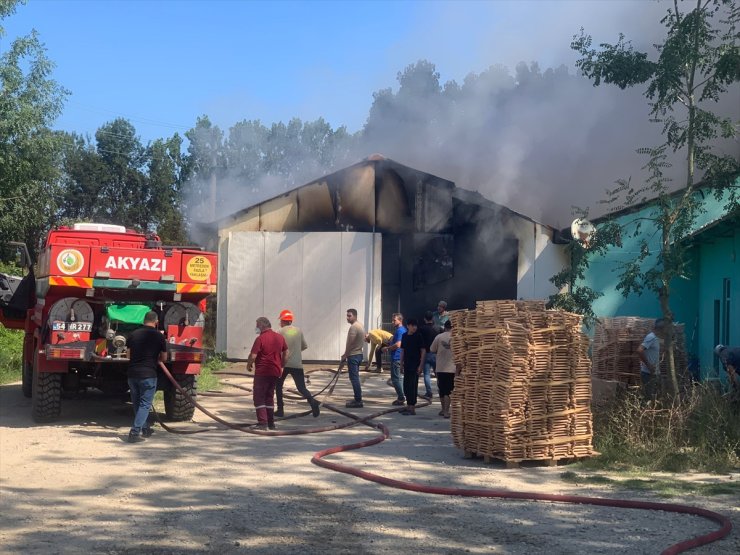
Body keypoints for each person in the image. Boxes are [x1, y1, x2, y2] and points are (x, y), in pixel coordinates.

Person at [125, 310, 167, 443]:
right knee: (145, 404)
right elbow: (164, 358)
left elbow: (128, 355)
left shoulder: (133, 334)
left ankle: (145, 428)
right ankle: (134, 432)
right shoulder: (159, 336)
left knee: (137, 403)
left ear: (143, 320)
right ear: (156, 322)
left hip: (132, 374)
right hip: (148, 374)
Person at [276, 309, 320, 418]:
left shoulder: (280, 332)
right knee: (301, 388)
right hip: (297, 364)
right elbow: (304, 346)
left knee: (278, 386)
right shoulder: (298, 331)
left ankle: (280, 410)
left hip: (283, 364)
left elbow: (277, 348)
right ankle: (312, 402)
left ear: (283, 320)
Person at [247, 316, 287, 430]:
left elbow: (253, 356)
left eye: (257, 325)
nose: (256, 328)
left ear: (262, 325)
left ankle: (262, 423)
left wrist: (248, 364)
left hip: (262, 372)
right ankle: (271, 423)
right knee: (269, 397)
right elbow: (287, 352)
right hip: (275, 371)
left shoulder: (260, 339)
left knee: (259, 397)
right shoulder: (279, 337)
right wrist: (282, 365)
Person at [399, 318, 426, 415]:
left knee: (413, 386)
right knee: (406, 386)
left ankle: (412, 407)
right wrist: (401, 364)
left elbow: (423, 351)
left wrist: (421, 365)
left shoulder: (418, 336)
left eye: (415, 325)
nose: (414, 327)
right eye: (412, 325)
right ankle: (408, 405)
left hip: (415, 365)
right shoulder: (404, 336)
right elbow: (402, 351)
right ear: (408, 326)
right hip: (407, 365)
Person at [431, 320, 456, 418]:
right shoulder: (456, 338)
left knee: (441, 389)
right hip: (452, 368)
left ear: (445, 327)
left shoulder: (439, 337)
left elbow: (432, 349)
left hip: (440, 368)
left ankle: (442, 409)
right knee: (449, 390)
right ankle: (446, 411)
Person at [342, 308, 365, 408]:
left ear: (355, 316)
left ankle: (358, 400)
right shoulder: (360, 325)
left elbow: (350, 343)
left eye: (349, 316)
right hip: (359, 354)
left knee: (354, 378)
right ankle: (357, 398)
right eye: (347, 315)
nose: (347, 318)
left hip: (353, 355)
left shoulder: (354, 327)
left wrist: (345, 355)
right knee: (355, 377)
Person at [637, 318, 665, 399]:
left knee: (657, 396)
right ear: (660, 329)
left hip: (655, 373)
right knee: (649, 399)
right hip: (648, 374)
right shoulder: (651, 337)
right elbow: (639, 350)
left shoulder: (655, 338)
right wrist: (649, 366)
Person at [382, 313, 407, 406]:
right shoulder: (400, 330)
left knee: (395, 379)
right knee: (399, 378)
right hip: (397, 357)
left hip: (396, 357)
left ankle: (401, 397)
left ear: (400, 320)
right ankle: (402, 395)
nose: (392, 322)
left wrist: (387, 348)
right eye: (392, 320)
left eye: (394, 320)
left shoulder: (400, 330)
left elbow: (398, 344)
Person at [419, 311, 439, 400]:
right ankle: (441, 390)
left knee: (426, 374)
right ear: (433, 318)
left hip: (426, 353)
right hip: (436, 354)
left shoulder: (422, 329)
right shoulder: (437, 329)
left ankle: (429, 392)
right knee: (438, 373)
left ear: (424, 319)